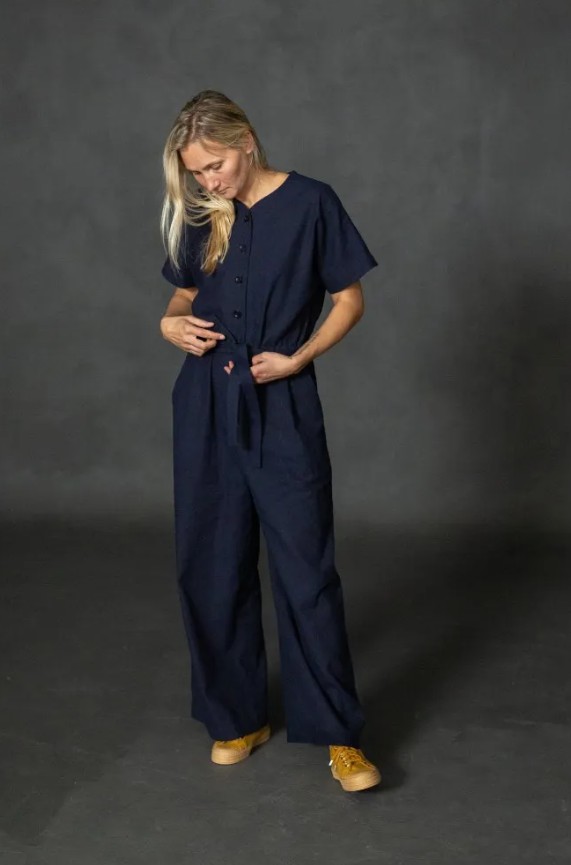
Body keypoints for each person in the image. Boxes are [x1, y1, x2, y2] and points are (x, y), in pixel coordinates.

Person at [159, 90, 381, 793]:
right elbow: (183, 295)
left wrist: (299, 357)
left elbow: (349, 299)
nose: (208, 180)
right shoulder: (202, 213)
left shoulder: (312, 202)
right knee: (211, 562)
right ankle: (236, 717)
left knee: (305, 572)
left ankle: (339, 734)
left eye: (215, 165)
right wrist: (169, 323)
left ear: (246, 141)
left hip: (280, 400)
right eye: (196, 172)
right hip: (204, 402)